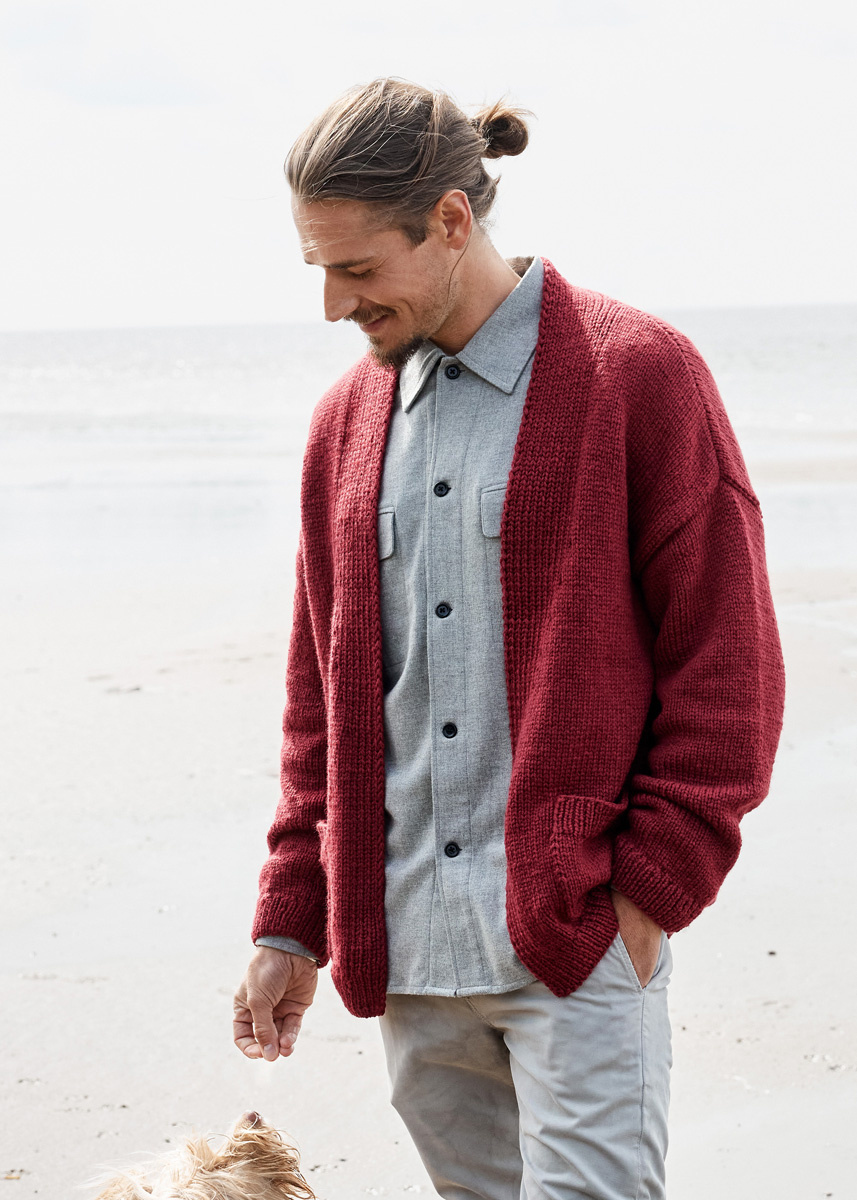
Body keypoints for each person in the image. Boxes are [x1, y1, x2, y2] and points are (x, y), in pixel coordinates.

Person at [232, 77, 786, 1200]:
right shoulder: (342, 426)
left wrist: (648, 887)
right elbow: (319, 700)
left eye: (357, 268)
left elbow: (728, 664)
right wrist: (292, 919)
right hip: (405, 951)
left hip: (573, 938)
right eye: (318, 269)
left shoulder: (637, 374)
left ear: (448, 221)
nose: (333, 305)